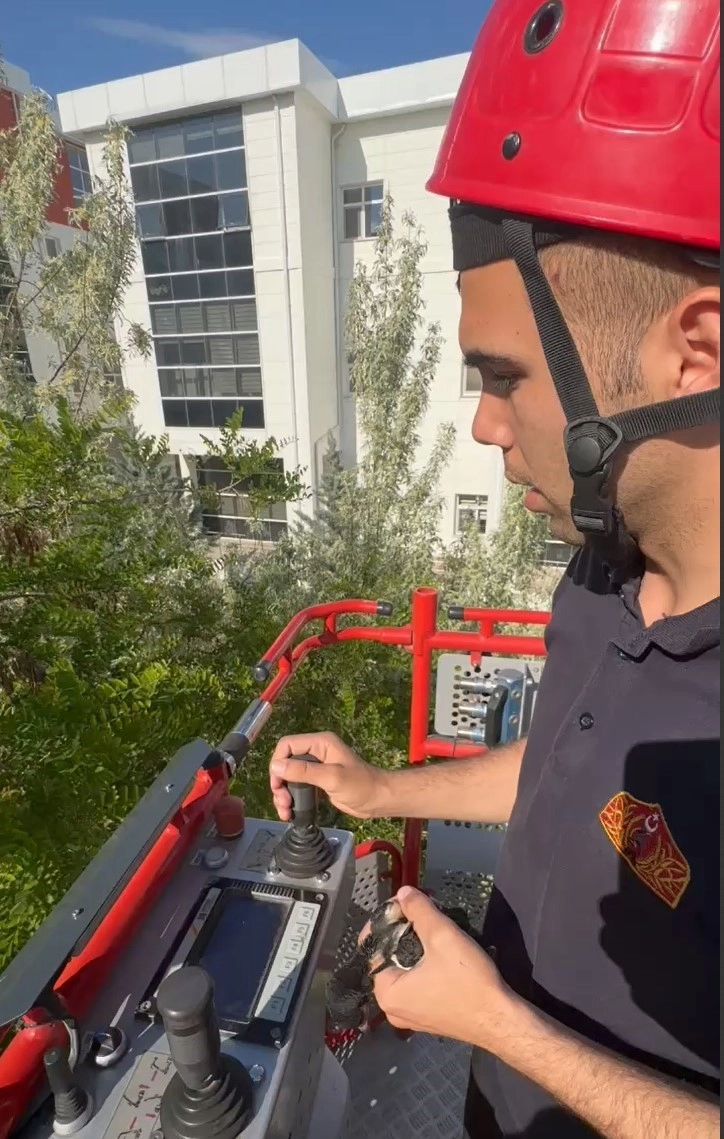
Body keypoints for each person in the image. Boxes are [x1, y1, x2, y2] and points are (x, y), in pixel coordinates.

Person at [269, 0, 720, 1135]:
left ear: (696, 349)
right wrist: (385, 789)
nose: (482, 423)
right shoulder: (602, 574)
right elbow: (565, 766)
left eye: (505, 375)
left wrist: (502, 1026)